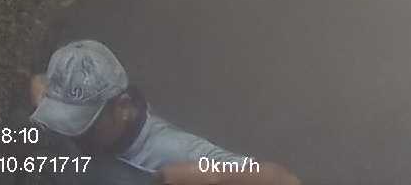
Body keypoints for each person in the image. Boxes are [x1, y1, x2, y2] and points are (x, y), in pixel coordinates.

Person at [29, 40, 300, 185]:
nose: (73, 132)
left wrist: (211, 176)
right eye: (66, 118)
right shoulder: (80, 129)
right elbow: (39, 85)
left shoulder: (174, 152)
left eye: (84, 123)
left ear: (123, 108)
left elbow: (283, 180)